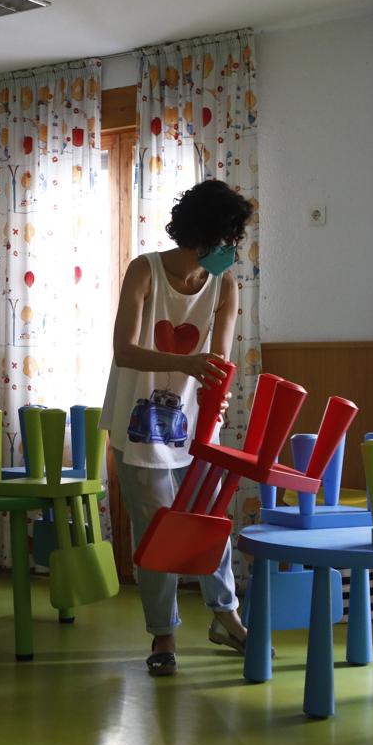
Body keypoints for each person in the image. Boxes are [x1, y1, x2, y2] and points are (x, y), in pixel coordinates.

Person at [101, 179, 253, 677]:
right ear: (205, 236)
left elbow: (221, 360)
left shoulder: (225, 285)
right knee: (156, 533)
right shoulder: (144, 270)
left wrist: (217, 388)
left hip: (192, 427)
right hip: (136, 422)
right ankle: (163, 634)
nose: (231, 251)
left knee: (209, 520)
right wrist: (189, 365)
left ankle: (225, 616)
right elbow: (124, 351)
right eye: (227, 240)